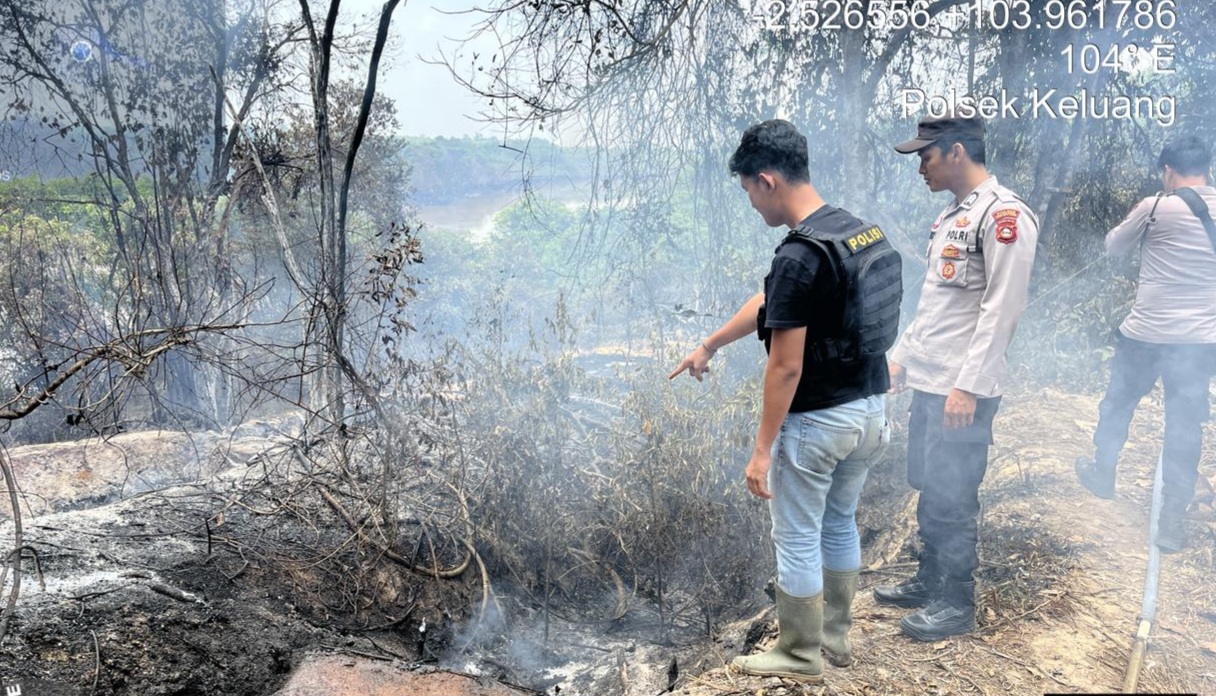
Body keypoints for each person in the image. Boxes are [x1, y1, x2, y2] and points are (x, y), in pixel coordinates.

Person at [669, 119, 899, 683]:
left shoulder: (800, 255)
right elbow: (773, 300)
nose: (750, 202)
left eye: (748, 189)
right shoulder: (855, 231)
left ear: (767, 180)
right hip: (870, 412)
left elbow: (787, 364)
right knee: (840, 521)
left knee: (796, 534)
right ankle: (836, 639)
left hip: (818, 422)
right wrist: (709, 344)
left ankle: (800, 655)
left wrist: (762, 450)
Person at [875, 116, 1038, 642]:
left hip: (963, 390)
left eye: (926, 155)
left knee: (955, 495)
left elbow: (1001, 309)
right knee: (929, 484)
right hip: (933, 381)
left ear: (957, 151)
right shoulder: (953, 216)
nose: (920, 165)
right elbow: (937, 308)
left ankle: (956, 601)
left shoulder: (1004, 215)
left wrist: (969, 385)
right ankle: (930, 578)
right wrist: (902, 357)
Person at [1075, 136, 1216, 553]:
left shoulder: (1156, 206)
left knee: (1118, 403)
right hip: (1200, 342)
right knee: (1185, 426)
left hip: (1146, 335)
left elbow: (1113, 247)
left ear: (1168, 170)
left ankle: (1103, 473)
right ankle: (1172, 522)